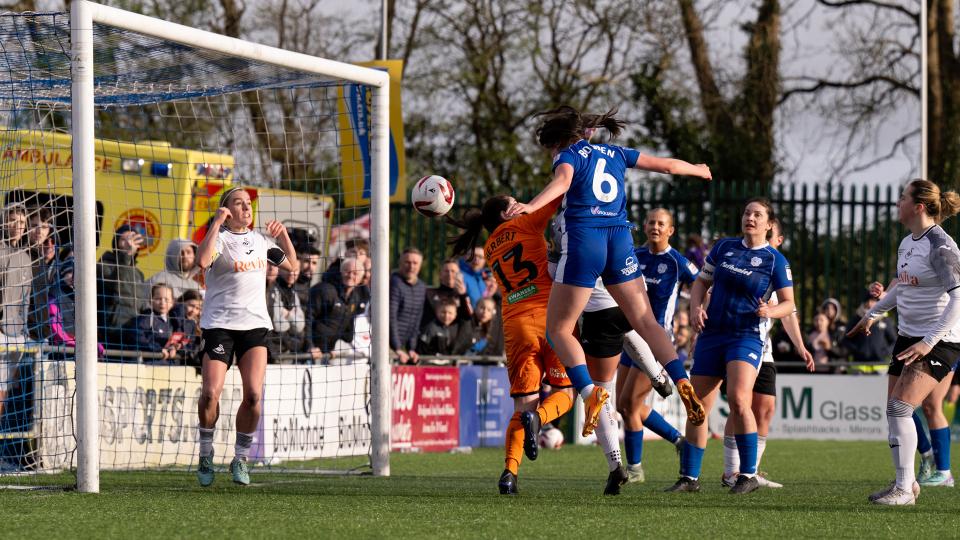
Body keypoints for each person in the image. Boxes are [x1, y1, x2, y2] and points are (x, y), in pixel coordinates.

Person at [504, 105, 712, 439]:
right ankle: (682, 381)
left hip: (586, 239)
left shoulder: (568, 155)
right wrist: (698, 169)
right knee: (646, 322)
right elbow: (668, 166)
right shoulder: (615, 152)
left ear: (557, 142)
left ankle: (592, 392)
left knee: (558, 329)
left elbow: (563, 182)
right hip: (619, 238)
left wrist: (530, 205)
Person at [668, 198, 798, 495]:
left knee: (740, 400)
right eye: (747, 213)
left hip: (745, 336)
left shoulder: (775, 260)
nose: (750, 217)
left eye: (757, 214)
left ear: (768, 224)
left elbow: (789, 303)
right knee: (696, 406)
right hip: (713, 334)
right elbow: (701, 282)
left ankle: (747, 474)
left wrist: (770, 311)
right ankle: (689, 478)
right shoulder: (725, 247)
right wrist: (696, 308)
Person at [448, 192, 573, 496]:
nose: (521, 203)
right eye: (514, 202)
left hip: (515, 324)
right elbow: (560, 192)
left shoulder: (490, 246)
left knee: (522, 403)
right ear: (507, 214)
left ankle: (509, 473)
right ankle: (539, 419)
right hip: (549, 318)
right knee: (564, 394)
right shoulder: (528, 223)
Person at [848, 179, 960, 505]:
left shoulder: (941, 246)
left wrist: (929, 341)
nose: (898, 203)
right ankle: (906, 484)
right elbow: (901, 288)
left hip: (938, 340)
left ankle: (905, 489)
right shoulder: (907, 242)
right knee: (894, 410)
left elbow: (958, 298)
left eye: (903, 198)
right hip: (908, 336)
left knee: (901, 407)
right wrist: (872, 315)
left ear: (919, 206)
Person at [194, 186, 297, 487]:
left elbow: (293, 266)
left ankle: (240, 458)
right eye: (237, 203)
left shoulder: (261, 241)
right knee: (211, 393)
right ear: (227, 210)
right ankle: (205, 452)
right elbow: (201, 263)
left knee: (253, 395)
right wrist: (215, 223)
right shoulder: (220, 239)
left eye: (248, 203)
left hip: (254, 326)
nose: (245, 207)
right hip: (219, 325)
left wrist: (284, 236)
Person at [719, 218, 815, 489]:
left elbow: (789, 313)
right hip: (742, 343)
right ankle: (731, 471)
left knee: (766, 409)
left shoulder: (777, 266)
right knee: (740, 404)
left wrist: (800, 346)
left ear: (776, 238)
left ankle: (752, 470)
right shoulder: (741, 263)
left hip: (765, 350)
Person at [614, 208, 699, 488]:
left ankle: (635, 469)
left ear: (670, 230)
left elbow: (704, 284)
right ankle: (678, 440)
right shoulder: (634, 256)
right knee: (624, 406)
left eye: (661, 224)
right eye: (651, 222)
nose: (655, 227)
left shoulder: (678, 263)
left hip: (656, 343)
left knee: (631, 404)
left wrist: (701, 312)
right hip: (629, 338)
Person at [96, 224, 147, 348]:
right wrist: (126, 255)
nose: (128, 243)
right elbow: (116, 286)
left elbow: (141, 302)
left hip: (133, 332)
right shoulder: (104, 265)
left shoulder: (138, 273)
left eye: (132, 239)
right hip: (112, 332)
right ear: (116, 243)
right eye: (124, 239)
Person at [308, 257, 370, 355]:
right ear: (341, 272)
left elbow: (346, 327)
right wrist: (310, 346)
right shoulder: (324, 290)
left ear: (361, 279)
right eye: (347, 271)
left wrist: (336, 347)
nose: (350, 276)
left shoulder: (355, 297)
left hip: (328, 352)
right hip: (310, 352)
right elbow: (307, 318)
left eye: (355, 273)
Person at [389, 248, 426, 365]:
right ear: (400, 263)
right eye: (407, 262)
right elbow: (391, 316)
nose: (411, 266)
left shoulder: (421, 287)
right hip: (386, 345)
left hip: (402, 348)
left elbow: (417, 319)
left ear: (420, 265)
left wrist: (411, 348)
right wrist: (397, 348)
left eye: (415, 263)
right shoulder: (393, 282)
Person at [127, 283, 180, 362]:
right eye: (158, 299)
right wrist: (157, 349)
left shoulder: (174, 320)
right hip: (150, 363)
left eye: (166, 299)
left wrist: (174, 347)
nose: (162, 302)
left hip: (169, 365)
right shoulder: (145, 319)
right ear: (150, 300)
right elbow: (137, 336)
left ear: (172, 302)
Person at [26, 206, 57, 341]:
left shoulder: (42, 259)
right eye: (34, 225)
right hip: (23, 333)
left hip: (41, 333)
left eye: (44, 227)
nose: (39, 231)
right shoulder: (21, 256)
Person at [267, 265, 307, 358]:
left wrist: (287, 314)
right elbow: (278, 325)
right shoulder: (273, 290)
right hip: (273, 350)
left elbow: (300, 326)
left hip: (288, 349)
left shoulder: (294, 294)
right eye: (287, 269)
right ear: (280, 269)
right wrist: (292, 317)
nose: (291, 273)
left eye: (295, 270)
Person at [423, 259, 473, 327]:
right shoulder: (429, 294)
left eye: (453, 271)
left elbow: (468, 317)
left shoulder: (463, 296)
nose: (450, 274)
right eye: (446, 271)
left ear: (459, 275)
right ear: (440, 274)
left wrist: (463, 295)